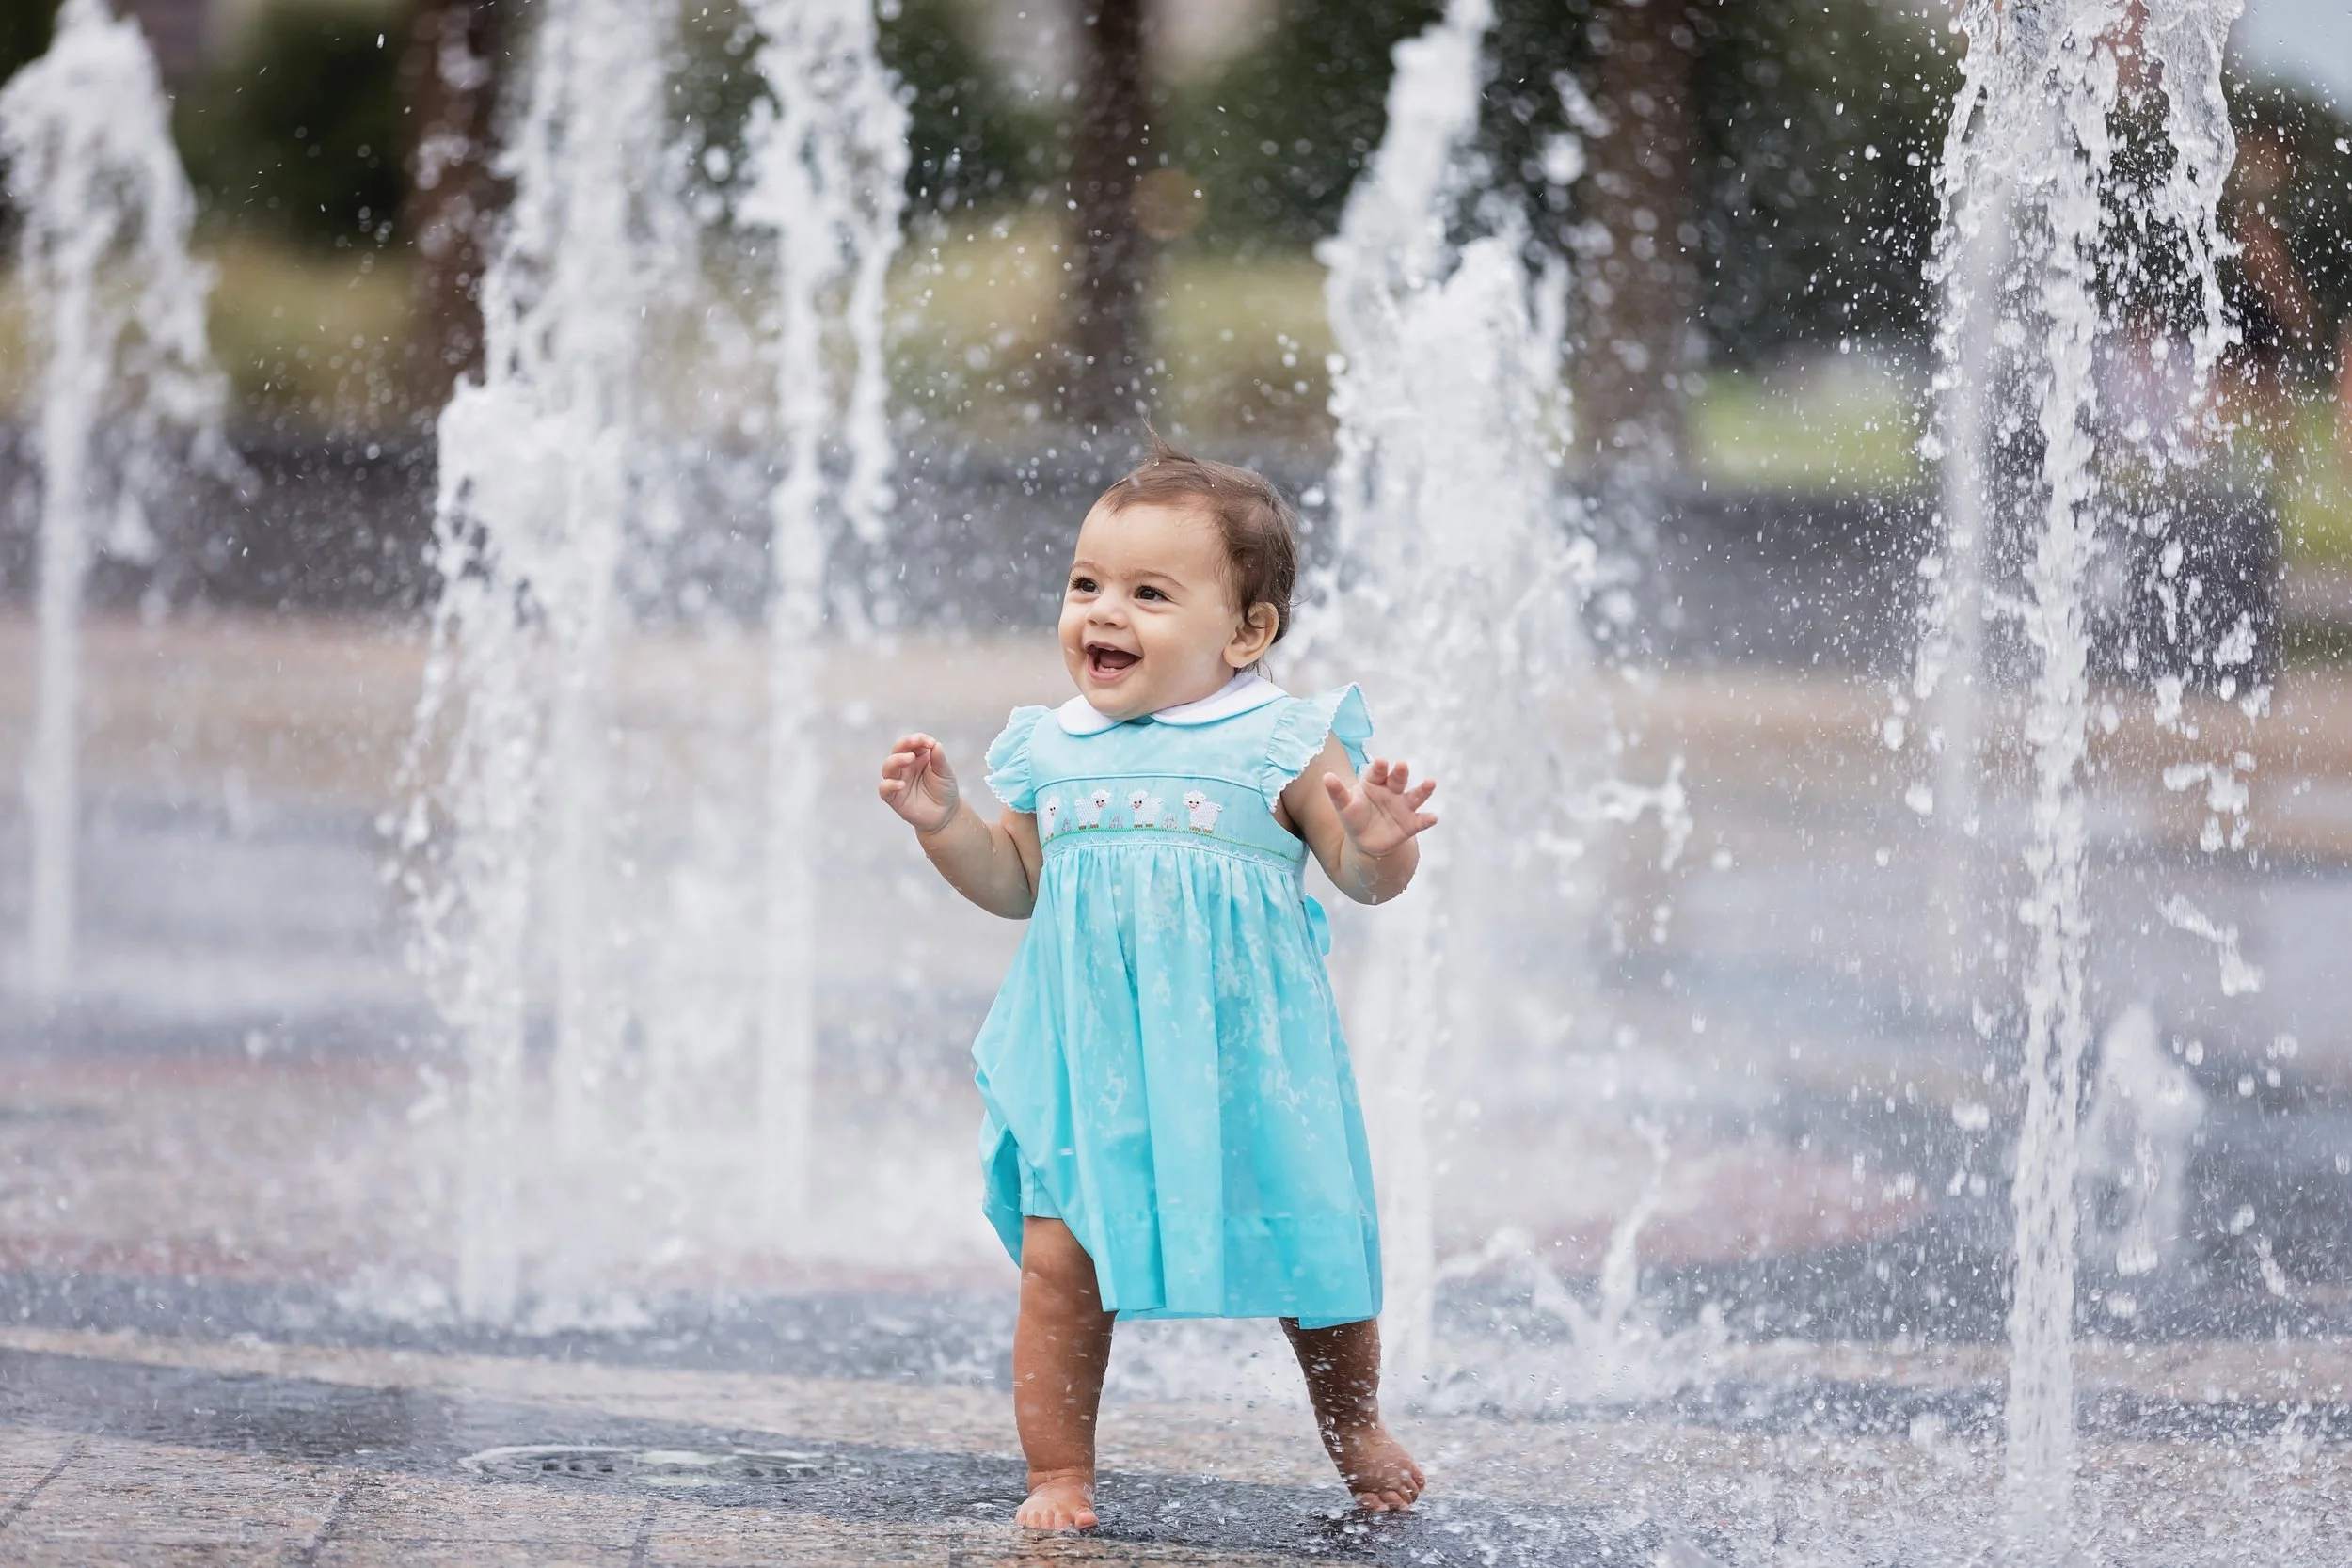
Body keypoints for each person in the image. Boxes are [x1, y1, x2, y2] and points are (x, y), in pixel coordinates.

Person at [877, 438, 1434, 1530]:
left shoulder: (1282, 738)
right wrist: (946, 825)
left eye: (1147, 592)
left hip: (1246, 1057)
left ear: (1246, 631)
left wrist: (1379, 840)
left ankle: (1354, 1423)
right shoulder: (1050, 747)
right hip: (1089, 1061)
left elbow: (1364, 880)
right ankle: (1059, 1471)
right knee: (1058, 1266)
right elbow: (1017, 883)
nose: (1102, 612)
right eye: (1085, 583)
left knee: (1308, 1245)